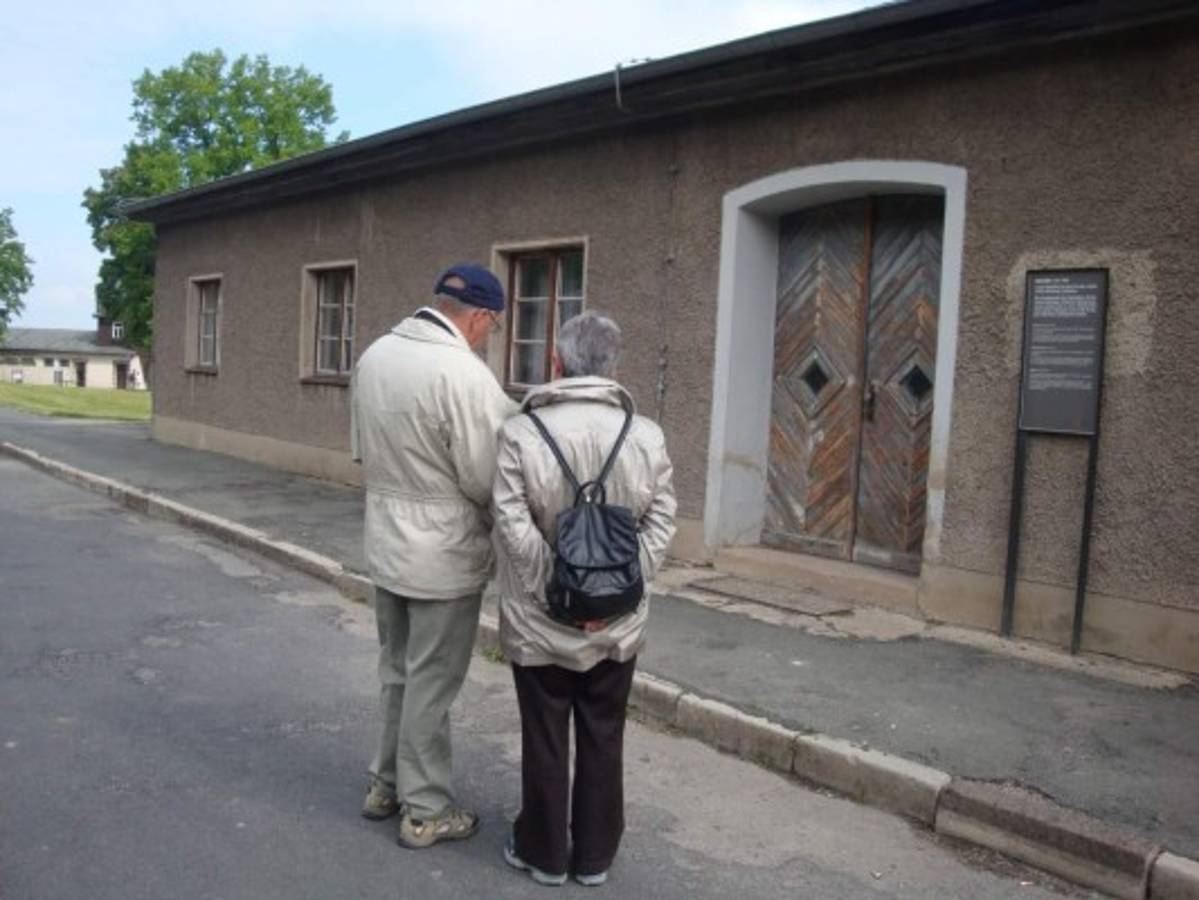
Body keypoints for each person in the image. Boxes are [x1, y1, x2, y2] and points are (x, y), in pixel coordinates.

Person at [491, 311, 676, 886]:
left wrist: (558, 587)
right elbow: (663, 519)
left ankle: (544, 854)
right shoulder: (645, 434)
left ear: (556, 363)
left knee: (544, 738)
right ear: (612, 366)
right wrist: (614, 592)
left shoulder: (520, 433)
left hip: (539, 621)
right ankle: (594, 857)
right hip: (616, 626)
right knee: (605, 733)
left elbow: (509, 519)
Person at [351, 263, 516, 849]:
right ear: (479, 316)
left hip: (386, 538)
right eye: (490, 327)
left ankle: (385, 783)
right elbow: (489, 474)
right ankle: (426, 810)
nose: (487, 337)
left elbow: (359, 450)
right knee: (432, 681)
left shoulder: (374, 356)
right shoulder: (462, 375)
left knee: (396, 669)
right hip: (442, 551)